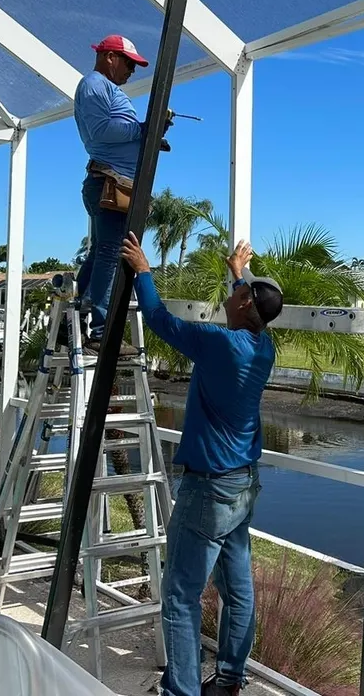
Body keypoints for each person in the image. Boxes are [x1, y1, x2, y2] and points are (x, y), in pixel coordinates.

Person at [120, 231, 282, 696]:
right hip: (242, 487)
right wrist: (239, 274)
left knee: (180, 597)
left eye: (241, 292)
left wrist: (144, 272)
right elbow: (249, 309)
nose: (233, 295)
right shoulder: (261, 348)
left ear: (247, 305)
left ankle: (181, 691)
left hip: (209, 491)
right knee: (237, 591)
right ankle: (230, 678)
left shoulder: (220, 345)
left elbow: (157, 320)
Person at [73, 34, 163, 353]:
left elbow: (112, 131)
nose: (131, 72)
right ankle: (100, 331)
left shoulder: (102, 87)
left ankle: (76, 314)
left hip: (112, 182)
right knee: (111, 253)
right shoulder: (95, 84)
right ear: (110, 57)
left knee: (102, 252)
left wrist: (148, 137)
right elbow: (101, 131)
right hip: (109, 182)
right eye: (129, 63)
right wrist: (143, 129)